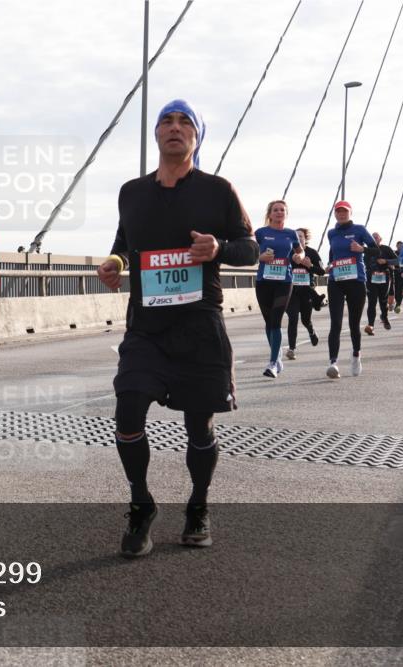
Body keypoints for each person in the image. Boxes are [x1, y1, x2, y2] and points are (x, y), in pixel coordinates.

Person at [96, 99, 258, 557]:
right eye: (166, 120)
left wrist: (218, 247)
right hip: (146, 327)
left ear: (196, 137)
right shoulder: (132, 192)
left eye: (185, 121)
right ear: (156, 134)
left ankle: (198, 506)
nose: (174, 127)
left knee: (199, 427)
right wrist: (115, 262)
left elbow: (249, 249)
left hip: (200, 326)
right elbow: (125, 243)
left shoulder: (218, 190)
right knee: (127, 408)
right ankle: (141, 505)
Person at [325, 201, 378, 379]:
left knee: (353, 324)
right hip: (336, 281)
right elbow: (332, 254)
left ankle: (356, 355)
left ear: (350, 213)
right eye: (338, 212)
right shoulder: (331, 233)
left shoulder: (360, 230)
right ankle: (333, 362)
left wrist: (362, 249)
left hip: (356, 280)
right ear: (335, 214)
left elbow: (376, 251)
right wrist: (329, 265)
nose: (341, 214)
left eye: (344, 212)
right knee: (336, 324)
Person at [255, 201, 303, 377]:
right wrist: (261, 257)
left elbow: (301, 251)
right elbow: (252, 253)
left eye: (282, 210)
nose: (279, 212)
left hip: (284, 281)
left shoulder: (291, 234)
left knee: (276, 321)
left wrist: (299, 256)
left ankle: (273, 363)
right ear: (270, 213)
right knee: (269, 323)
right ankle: (278, 358)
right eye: (275, 210)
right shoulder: (261, 233)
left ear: (286, 214)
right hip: (263, 281)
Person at [285, 227, 324, 359]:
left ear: (305, 239)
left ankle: (311, 331)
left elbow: (322, 271)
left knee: (305, 320)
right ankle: (292, 349)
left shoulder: (312, 252)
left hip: (307, 291)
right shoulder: (288, 252)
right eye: (295, 236)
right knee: (293, 318)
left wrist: (310, 266)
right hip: (291, 291)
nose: (298, 238)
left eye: (300, 236)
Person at [365, 231, 398, 334]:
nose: (374, 239)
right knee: (372, 302)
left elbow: (397, 261)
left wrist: (386, 261)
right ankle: (371, 325)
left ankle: (385, 318)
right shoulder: (367, 250)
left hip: (384, 278)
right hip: (371, 279)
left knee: (383, 301)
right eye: (372, 237)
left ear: (380, 239)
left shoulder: (386, 249)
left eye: (376, 237)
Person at [392, 240, 403, 313]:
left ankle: (398, 304)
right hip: (395, 273)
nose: (400, 247)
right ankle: (396, 302)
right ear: (396, 246)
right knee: (396, 289)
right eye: (398, 245)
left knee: (400, 289)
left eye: (401, 245)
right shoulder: (394, 253)